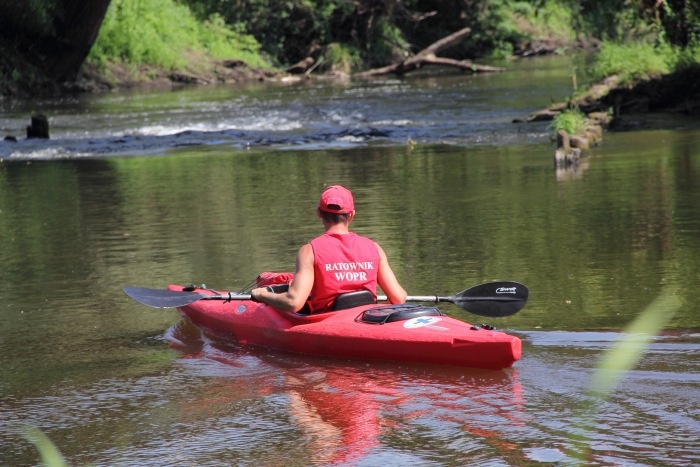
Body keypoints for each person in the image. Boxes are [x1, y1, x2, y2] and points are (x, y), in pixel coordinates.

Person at [250, 185, 407, 313]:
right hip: (366, 319)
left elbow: (294, 303)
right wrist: (383, 313)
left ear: (319, 213)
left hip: (329, 322)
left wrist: (262, 294)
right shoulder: (374, 248)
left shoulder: (309, 251)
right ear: (351, 215)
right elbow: (398, 298)